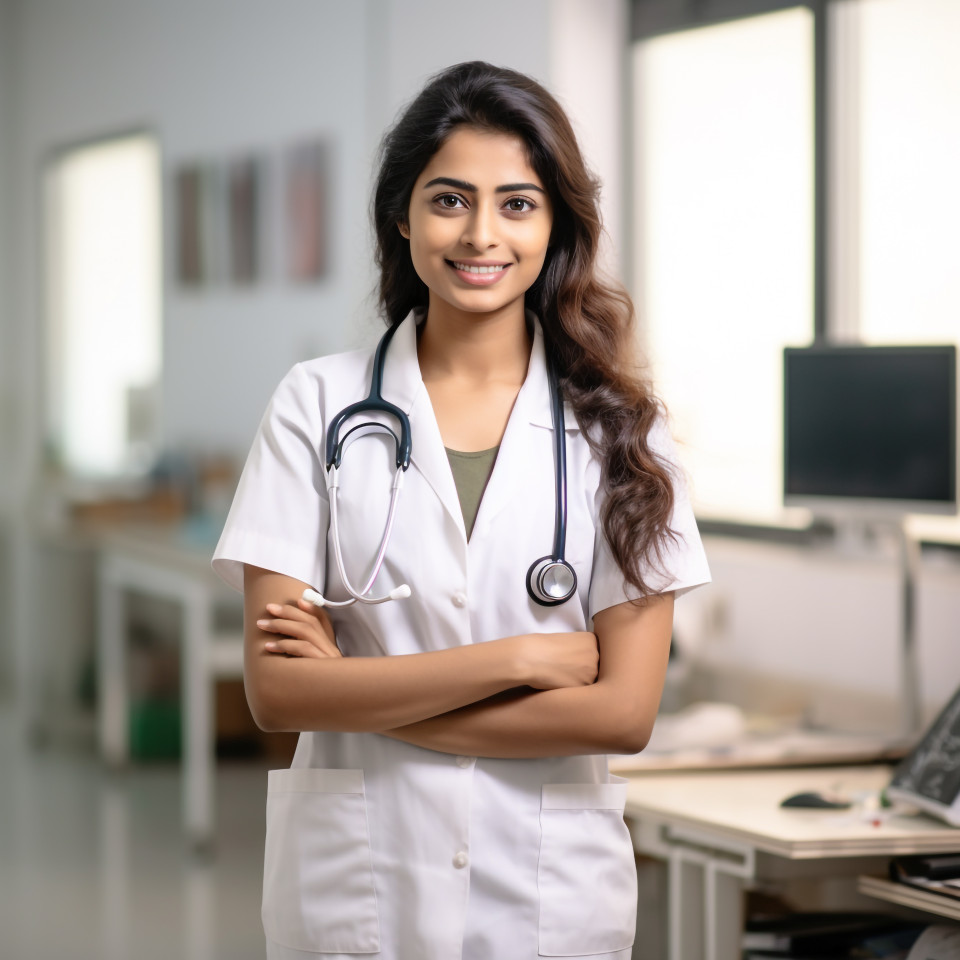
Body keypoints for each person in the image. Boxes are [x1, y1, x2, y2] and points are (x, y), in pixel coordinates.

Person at [213, 61, 709, 960]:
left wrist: (359, 695)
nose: (482, 234)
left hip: (548, 897)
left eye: (517, 203)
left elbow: (623, 715)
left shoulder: (626, 433)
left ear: (556, 221)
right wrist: (521, 658)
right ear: (401, 215)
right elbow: (279, 693)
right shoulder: (314, 406)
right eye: (450, 200)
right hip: (360, 888)